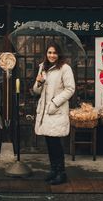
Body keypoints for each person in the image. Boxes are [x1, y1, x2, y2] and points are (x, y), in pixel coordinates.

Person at [33, 42, 75, 185]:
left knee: (56, 144)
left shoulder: (65, 68)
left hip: (56, 111)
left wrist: (55, 102)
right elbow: (37, 91)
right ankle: (53, 170)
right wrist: (39, 82)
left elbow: (70, 89)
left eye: (55, 53)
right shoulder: (42, 67)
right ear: (46, 53)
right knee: (49, 143)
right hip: (45, 112)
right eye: (49, 52)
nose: (52, 55)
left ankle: (61, 173)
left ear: (59, 54)